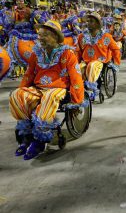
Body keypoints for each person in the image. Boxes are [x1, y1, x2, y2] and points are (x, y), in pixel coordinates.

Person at [9, 20, 84, 160]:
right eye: (40, 35)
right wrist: (23, 90)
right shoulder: (36, 53)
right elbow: (29, 74)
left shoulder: (68, 53)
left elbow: (76, 77)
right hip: (39, 88)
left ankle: (40, 140)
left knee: (49, 96)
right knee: (16, 95)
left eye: (45, 35)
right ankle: (27, 136)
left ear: (55, 37)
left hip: (59, 88)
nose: (40, 38)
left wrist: (77, 100)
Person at [76, 12, 120, 100]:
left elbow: (115, 49)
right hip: (86, 61)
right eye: (87, 21)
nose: (88, 23)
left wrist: (116, 63)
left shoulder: (106, 36)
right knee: (77, 69)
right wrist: (76, 63)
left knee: (92, 66)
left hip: (101, 61)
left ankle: (92, 89)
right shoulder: (81, 36)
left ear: (97, 24)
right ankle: (79, 92)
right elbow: (78, 51)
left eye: (91, 21)